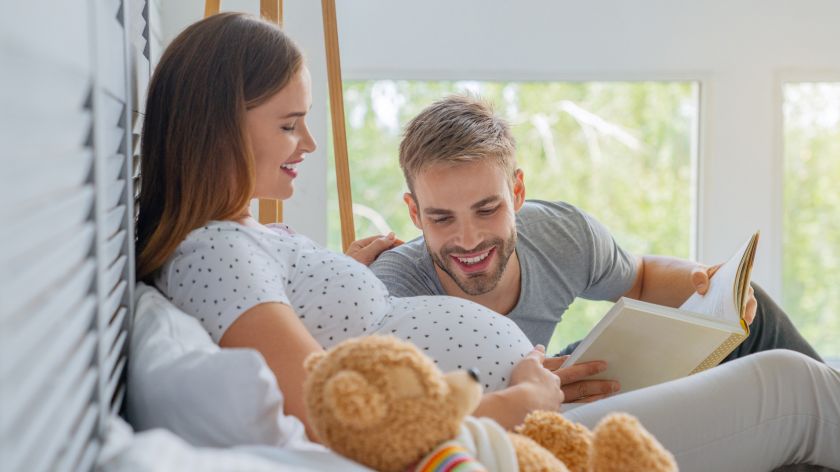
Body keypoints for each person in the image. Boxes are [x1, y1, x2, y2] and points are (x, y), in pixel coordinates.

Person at [137, 13, 840, 471]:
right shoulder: (217, 254)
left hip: (536, 411)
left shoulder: (243, 241)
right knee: (794, 389)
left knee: (773, 358)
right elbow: (338, 413)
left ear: (518, 195)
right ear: (220, 124)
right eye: (290, 124)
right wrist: (516, 403)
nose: (309, 144)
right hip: (514, 436)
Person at [369, 95, 825, 403]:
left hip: (560, 378)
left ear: (518, 193)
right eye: (441, 218)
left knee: (751, 310)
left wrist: (709, 282)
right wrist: (516, 390)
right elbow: (394, 411)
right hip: (508, 411)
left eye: (487, 210)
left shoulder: (559, 234)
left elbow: (641, 277)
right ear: (414, 213)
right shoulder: (393, 288)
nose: (468, 240)